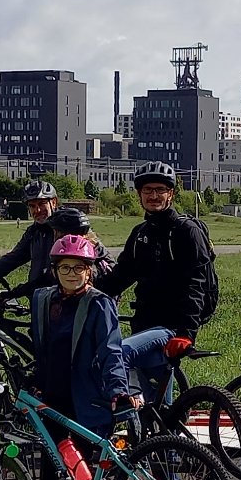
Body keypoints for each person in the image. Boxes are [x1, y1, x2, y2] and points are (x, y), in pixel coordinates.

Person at [30, 233, 139, 480]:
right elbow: (43, 349)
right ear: (54, 270)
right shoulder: (46, 301)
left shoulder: (98, 304)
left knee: (80, 470)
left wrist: (119, 391)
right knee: (50, 469)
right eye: (65, 268)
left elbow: (111, 352)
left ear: (91, 271)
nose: (73, 274)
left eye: (80, 268)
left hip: (87, 400)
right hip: (51, 398)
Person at [98, 162, 215, 405]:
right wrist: (83, 292)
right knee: (157, 402)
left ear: (171, 193)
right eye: (147, 190)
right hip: (144, 323)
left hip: (171, 327)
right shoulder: (140, 233)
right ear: (139, 194)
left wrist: (186, 333)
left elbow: (197, 285)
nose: (154, 195)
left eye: (160, 190)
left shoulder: (186, 231)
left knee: (119, 354)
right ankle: (166, 438)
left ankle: (116, 408)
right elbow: (121, 276)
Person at [0, 179, 96, 292]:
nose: (37, 210)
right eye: (32, 206)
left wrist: (21, 290)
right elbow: (13, 258)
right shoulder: (34, 232)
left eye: (42, 204)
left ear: (54, 202)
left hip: (67, 299)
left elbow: (54, 275)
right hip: (42, 300)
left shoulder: (69, 227)